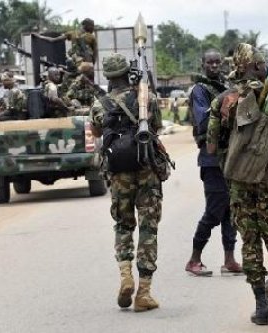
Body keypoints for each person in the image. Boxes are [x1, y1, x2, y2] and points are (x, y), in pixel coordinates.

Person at [206, 43, 268, 325]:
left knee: (249, 240)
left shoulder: (223, 101)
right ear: (258, 68)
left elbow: (211, 147)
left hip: (237, 179)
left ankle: (261, 306)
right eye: (263, 65)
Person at [90, 52, 163, 311]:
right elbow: (157, 126)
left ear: (108, 77)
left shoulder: (100, 104)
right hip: (146, 169)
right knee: (148, 229)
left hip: (118, 173)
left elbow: (97, 132)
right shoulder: (147, 99)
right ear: (127, 73)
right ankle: (143, 293)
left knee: (123, 225)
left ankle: (125, 276)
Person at [184, 49, 242, 276]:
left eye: (218, 62)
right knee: (214, 211)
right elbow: (205, 119)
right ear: (203, 64)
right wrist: (226, 100)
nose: (214, 66)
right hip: (211, 159)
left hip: (231, 157)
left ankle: (229, 259)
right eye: (210, 62)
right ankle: (194, 259)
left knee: (231, 211)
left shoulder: (226, 87)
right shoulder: (200, 90)